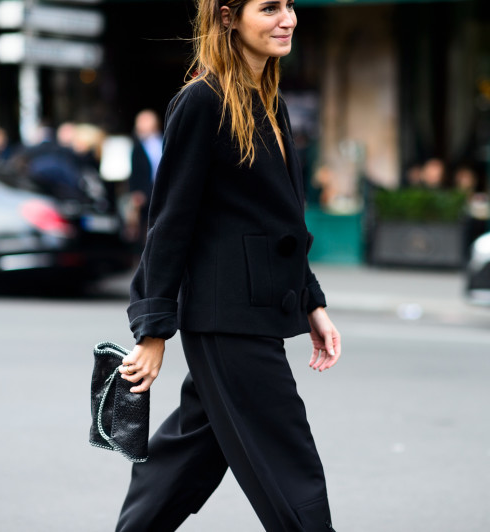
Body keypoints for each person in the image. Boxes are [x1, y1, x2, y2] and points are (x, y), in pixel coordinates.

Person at [114, 1, 341, 531]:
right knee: (291, 465)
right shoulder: (201, 101)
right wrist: (153, 328)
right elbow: (170, 221)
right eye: (269, 8)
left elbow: (278, 221)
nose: (287, 18)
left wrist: (312, 301)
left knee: (189, 453)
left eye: (289, 5)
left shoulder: (270, 103)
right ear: (227, 18)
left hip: (256, 309)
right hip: (227, 319)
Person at [124, 110, 163, 244]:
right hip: (145, 193)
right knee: (144, 228)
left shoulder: (163, 140)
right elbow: (135, 172)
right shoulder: (137, 146)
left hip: (162, 189)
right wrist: (136, 192)